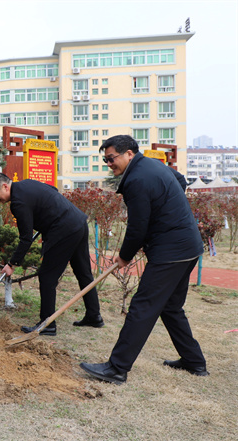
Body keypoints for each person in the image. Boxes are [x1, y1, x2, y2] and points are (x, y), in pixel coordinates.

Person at [80, 135, 208, 384]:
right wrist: (168, 208)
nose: (109, 164)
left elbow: (137, 227)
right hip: (189, 246)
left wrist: (124, 256)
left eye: (111, 158)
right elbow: (179, 180)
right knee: (170, 307)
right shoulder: (153, 165)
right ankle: (194, 361)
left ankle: (117, 368)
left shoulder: (137, 179)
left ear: (129, 153)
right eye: (105, 160)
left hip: (171, 252)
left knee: (142, 307)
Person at [0, 173, 104, 336]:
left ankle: (47, 324)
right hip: (78, 222)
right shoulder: (26, 184)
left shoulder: (18, 202)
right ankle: (94, 316)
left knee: (47, 276)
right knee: (83, 272)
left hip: (64, 230)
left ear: (5, 187)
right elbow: (52, 190)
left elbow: (26, 238)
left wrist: (12, 264)